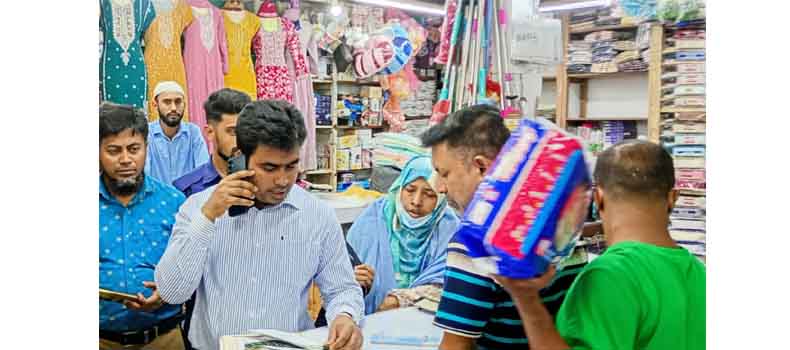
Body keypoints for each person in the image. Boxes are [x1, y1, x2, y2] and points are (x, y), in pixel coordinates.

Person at [155, 100, 363, 350]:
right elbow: (171, 293)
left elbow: (342, 288)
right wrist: (208, 216)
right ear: (240, 158)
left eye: (292, 166)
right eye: (269, 167)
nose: (283, 180)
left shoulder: (317, 215)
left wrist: (345, 316)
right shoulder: (198, 207)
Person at [494, 140, 706, 350]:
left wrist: (526, 300)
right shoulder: (699, 273)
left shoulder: (609, 276)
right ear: (673, 198)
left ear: (597, 198)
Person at [420, 104, 587, 350]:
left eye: (444, 173)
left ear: (481, 167)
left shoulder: (473, 242)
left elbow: (456, 346)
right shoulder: (564, 223)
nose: (441, 187)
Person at [99, 102, 186, 350]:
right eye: (114, 150)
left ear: (146, 148)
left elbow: (191, 264)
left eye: (134, 149)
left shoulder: (173, 202)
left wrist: (169, 291)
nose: (126, 159)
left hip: (164, 339)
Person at [171, 88, 250, 350]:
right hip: (203, 324)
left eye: (246, 130)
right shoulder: (186, 192)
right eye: (231, 131)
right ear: (209, 132)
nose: (241, 139)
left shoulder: (268, 187)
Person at [346, 156, 460, 315]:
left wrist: (401, 299)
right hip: (364, 323)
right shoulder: (371, 220)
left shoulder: (449, 229)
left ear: (441, 197)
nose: (416, 201)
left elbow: (451, 286)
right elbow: (339, 273)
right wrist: (353, 279)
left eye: (429, 194)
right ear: (399, 187)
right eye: (410, 190)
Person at [145, 81, 209, 185]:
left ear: (184, 104)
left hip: (189, 198)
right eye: (167, 102)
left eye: (178, 102)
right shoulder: (146, 133)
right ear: (155, 104)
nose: (173, 108)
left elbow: (203, 171)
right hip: (157, 198)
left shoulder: (193, 133)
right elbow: (144, 175)